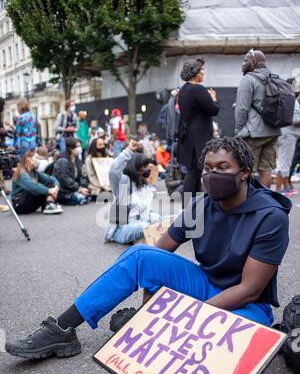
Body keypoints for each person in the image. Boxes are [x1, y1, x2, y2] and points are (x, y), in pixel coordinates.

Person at [5, 137, 291, 360]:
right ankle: (63, 329)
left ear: (244, 172)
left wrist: (186, 315)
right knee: (139, 256)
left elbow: (249, 289)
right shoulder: (200, 207)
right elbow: (159, 253)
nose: (213, 174)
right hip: (206, 285)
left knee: (236, 341)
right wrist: (151, 304)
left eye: (223, 168)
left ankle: (147, 325)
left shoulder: (270, 216)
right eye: (208, 168)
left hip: (247, 304)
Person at [104, 140, 167, 245]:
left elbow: (148, 212)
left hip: (143, 224)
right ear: (136, 168)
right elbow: (113, 171)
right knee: (144, 226)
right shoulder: (124, 181)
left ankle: (151, 234)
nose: (148, 169)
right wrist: (128, 151)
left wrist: (158, 220)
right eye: (145, 166)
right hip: (122, 229)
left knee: (173, 219)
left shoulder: (145, 187)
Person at [234, 49, 281, 188]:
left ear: (254, 63)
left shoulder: (248, 79)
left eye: (245, 60)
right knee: (265, 169)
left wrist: (239, 130)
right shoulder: (274, 77)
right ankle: (265, 202)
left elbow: (242, 108)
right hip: (273, 130)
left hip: (253, 133)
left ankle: (248, 202)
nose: (243, 64)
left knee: (247, 168)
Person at [177, 58, 219, 196]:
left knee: (193, 170)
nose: (204, 72)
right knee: (196, 170)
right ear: (195, 73)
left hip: (189, 133)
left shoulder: (183, 90)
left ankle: (191, 204)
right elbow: (213, 110)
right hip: (199, 135)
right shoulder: (198, 90)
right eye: (201, 70)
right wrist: (213, 98)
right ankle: (189, 204)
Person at [11, 150, 63, 215]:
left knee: (49, 182)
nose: (38, 160)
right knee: (38, 187)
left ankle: (49, 204)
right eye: (37, 158)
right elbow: (32, 186)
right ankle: (49, 204)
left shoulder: (34, 172)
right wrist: (49, 190)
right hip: (19, 205)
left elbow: (51, 179)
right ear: (29, 159)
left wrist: (56, 187)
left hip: (28, 202)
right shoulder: (21, 172)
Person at [275, 83, 300, 196]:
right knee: (284, 164)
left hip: (283, 134)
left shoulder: (282, 99)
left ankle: (285, 188)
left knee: (285, 163)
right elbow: (295, 121)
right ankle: (278, 191)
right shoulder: (292, 101)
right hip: (288, 135)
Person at [53, 138, 91, 206]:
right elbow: (64, 178)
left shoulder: (77, 160)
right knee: (80, 199)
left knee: (89, 195)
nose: (80, 148)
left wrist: (83, 187)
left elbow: (81, 176)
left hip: (73, 189)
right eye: (77, 146)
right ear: (70, 148)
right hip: (63, 190)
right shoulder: (63, 161)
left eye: (80, 146)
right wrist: (79, 189)